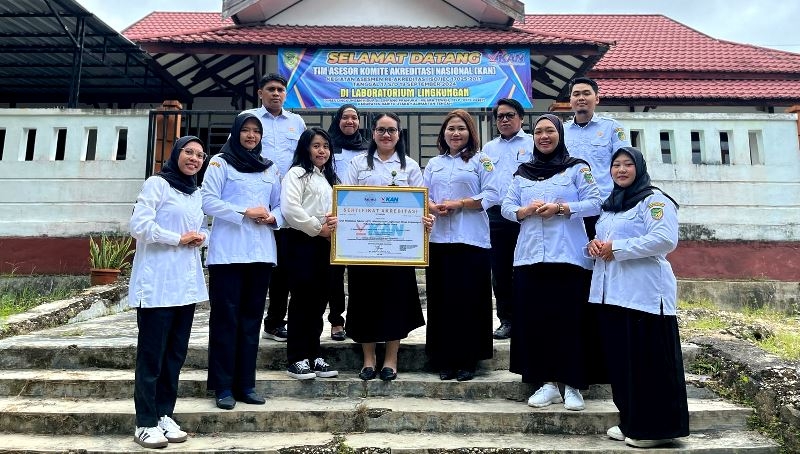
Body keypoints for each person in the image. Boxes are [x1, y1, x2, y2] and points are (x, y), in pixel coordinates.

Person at [588, 146, 688, 448]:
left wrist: (616, 248)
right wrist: (594, 246)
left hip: (644, 296)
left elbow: (664, 239)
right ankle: (631, 421)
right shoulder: (611, 205)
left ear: (639, 168)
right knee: (622, 364)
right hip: (612, 294)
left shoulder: (654, 200)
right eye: (616, 165)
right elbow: (605, 240)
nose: (621, 170)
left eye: (628, 164)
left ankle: (655, 430)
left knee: (648, 365)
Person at [500, 113, 601, 411]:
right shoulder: (522, 172)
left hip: (568, 257)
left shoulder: (577, 168)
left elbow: (595, 202)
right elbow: (506, 206)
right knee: (537, 321)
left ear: (560, 134)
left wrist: (561, 208)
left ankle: (573, 384)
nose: (544, 136)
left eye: (550, 131)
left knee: (570, 321)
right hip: (530, 257)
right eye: (539, 132)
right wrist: (523, 211)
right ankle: (546, 384)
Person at [129, 136, 208, 448]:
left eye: (200, 155)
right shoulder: (157, 184)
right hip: (157, 285)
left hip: (185, 286)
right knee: (152, 357)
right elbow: (139, 225)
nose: (194, 159)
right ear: (176, 154)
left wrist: (201, 237)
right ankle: (145, 422)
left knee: (175, 356)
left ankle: (164, 414)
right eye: (188, 152)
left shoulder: (196, 193)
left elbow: (201, 229)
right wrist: (177, 238)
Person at [201, 112, 283, 410]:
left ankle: (246, 384)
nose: (251, 135)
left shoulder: (269, 167)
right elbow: (207, 200)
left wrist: (273, 217)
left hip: (260, 253)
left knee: (251, 321)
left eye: (256, 131)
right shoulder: (220, 163)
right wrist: (244, 212)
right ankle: (223, 386)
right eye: (246, 130)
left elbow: (280, 204)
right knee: (226, 320)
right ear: (236, 133)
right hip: (228, 254)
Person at [343, 112, 429, 382]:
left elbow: (420, 204)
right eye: (381, 130)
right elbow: (345, 199)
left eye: (391, 130)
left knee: (396, 301)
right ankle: (368, 359)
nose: (386, 135)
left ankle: (391, 359)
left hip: (397, 248)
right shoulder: (358, 164)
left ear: (399, 135)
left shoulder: (410, 166)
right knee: (364, 300)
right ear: (373, 133)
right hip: (363, 247)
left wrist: (425, 219)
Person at [424, 109, 499, 382]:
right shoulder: (434, 163)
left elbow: (492, 194)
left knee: (469, 301)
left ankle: (468, 359)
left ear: (470, 132)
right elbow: (422, 194)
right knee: (442, 301)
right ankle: (444, 358)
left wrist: (460, 204)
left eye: (461, 128)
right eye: (451, 128)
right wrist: (432, 206)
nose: (455, 133)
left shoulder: (482, 160)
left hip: (471, 240)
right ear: (443, 133)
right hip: (439, 240)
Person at [245, 73, 306, 343]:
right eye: (270, 89)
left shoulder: (296, 122)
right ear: (261, 93)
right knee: (256, 267)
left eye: (280, 89)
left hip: (287, 204)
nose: (276, 94)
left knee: (284, 268)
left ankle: (274, 322)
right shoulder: (249, 119)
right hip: (256, 203)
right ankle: (248, 321)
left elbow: (303, 158)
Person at [281, 127, 340, 380]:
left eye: (325, 146)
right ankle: (296, 358)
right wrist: (318, 228)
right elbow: (290, 209)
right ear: (306, 148)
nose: (322, 151)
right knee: (302, 299)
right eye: (316, 146)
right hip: (301, 241)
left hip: (325, 244)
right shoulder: (296, 174)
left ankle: (314, 354)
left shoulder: (329, 178)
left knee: (319, 300)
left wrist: (331, 228)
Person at [481, 98, 533, 340]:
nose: (504, 120)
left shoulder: (533, 143)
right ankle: (507, 319)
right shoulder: (489, 148)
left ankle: (528, 318)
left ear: (520, 118)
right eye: (500, 116)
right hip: (496, 215)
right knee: (500, 270)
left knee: (527, 267)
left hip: (526, 214)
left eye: (509, 115)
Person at [564, 77, 631, 240]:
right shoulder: (561, 131)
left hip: (604, 205)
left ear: (597, 98)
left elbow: (625, 164)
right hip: (570, 207)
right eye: (576, 94)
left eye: (586, 93)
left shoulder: (612, 128)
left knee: (604, 251)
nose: (581, 98)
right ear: (570, 100)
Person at [326, 104, 369, 341]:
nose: (350, 121)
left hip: (362, 218)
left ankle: (357, 320)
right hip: (334, 216)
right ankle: (336, 321)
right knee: (334, 273)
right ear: (337, 120)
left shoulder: (368, 148)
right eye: (345, 117)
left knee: (359, 273)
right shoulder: (328, 146)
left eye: (354, 117)